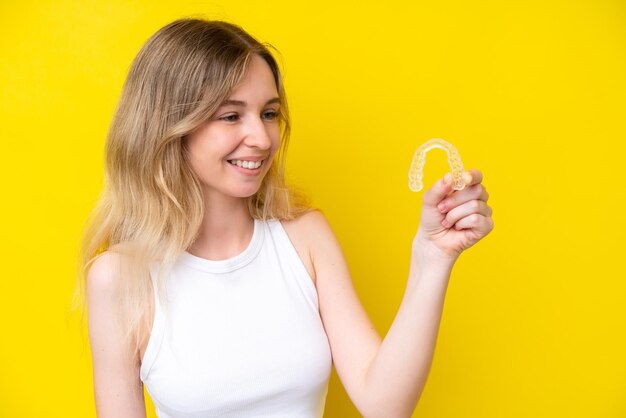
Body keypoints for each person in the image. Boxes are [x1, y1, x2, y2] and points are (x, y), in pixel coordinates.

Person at [76, 17, 494, 418]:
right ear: (168, 127)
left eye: (269, 113)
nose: (261, 138)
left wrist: (432, 259)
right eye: (230, 115)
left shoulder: (304, 238)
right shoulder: (119, 277)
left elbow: (384, 405)